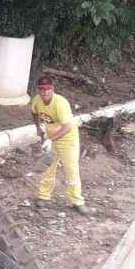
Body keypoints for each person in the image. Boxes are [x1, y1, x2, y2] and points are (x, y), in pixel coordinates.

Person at [30, 76, 95, 215]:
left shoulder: (60, 103)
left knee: (71, 169)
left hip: (68, 138)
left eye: (48, 89)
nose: (45, 92)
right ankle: (44, 196)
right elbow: (34, 112)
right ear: (38, 90)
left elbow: (67, 127)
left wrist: (51, 140)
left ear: (52, 89)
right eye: (42, 89)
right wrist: (38, 127)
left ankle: (77, 202)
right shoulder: (37, 100)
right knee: (49, 167)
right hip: (51, 136)